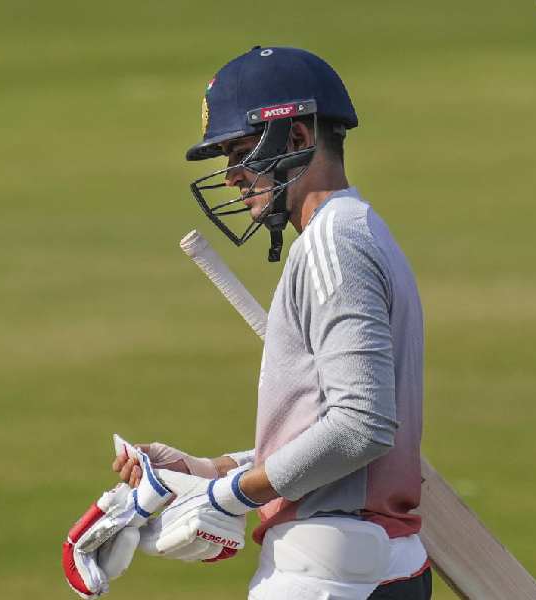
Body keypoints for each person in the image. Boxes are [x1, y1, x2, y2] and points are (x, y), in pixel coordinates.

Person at [114, 46, 429, 600]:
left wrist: (233, 494)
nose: (233, 177)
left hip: (330, 576)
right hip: (355, 567)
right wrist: (210, 470)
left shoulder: (335, 244)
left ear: (300, 140)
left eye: (241, 153)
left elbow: (362, 425)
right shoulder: (353, 233)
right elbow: (332, 426)